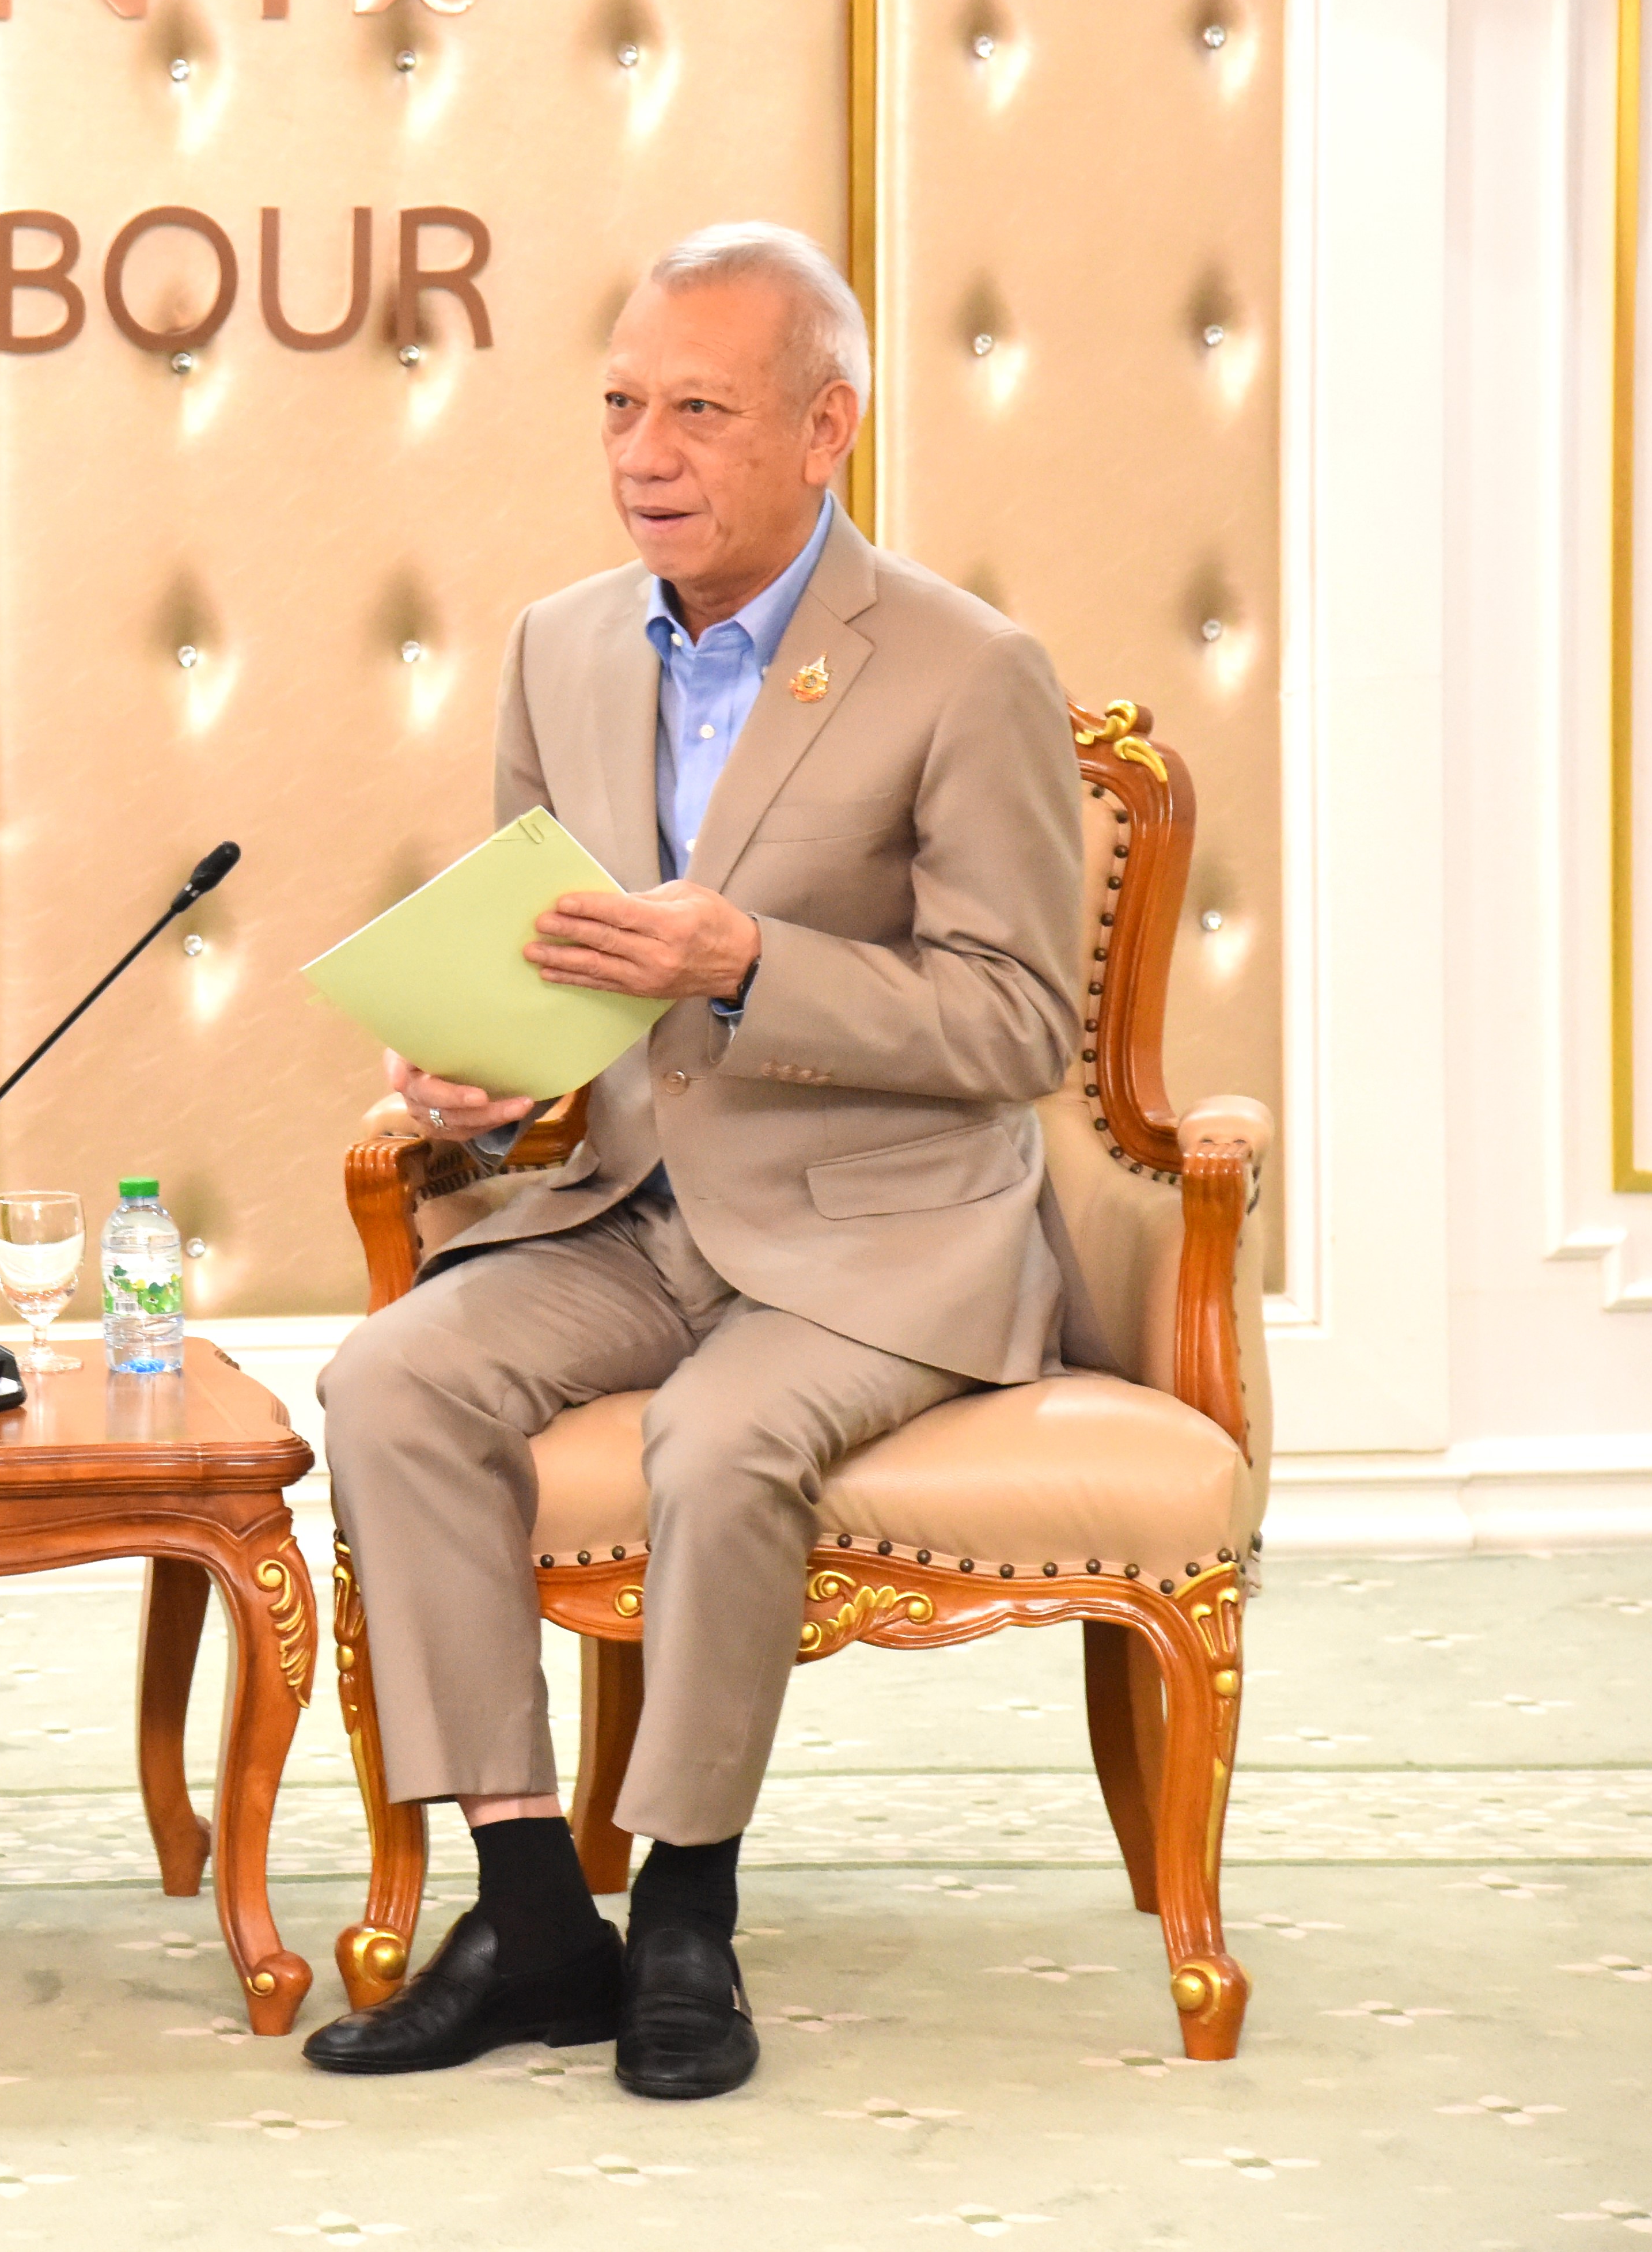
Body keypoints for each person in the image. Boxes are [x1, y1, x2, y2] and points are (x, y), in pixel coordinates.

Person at [304, 224, 1091, 2101]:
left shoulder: (969, 669)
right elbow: (552, 966)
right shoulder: (560, 647)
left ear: (827, 429)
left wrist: (749, 965)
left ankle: (686, 1909)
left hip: (881, 1231)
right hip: (635, 1206)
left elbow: (1017, 1028)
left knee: (720, 1440)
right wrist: (485, 1081)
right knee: (388, 1379)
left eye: (699, 413)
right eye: (620, 406)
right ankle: (530, 1911)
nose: (643, 455)